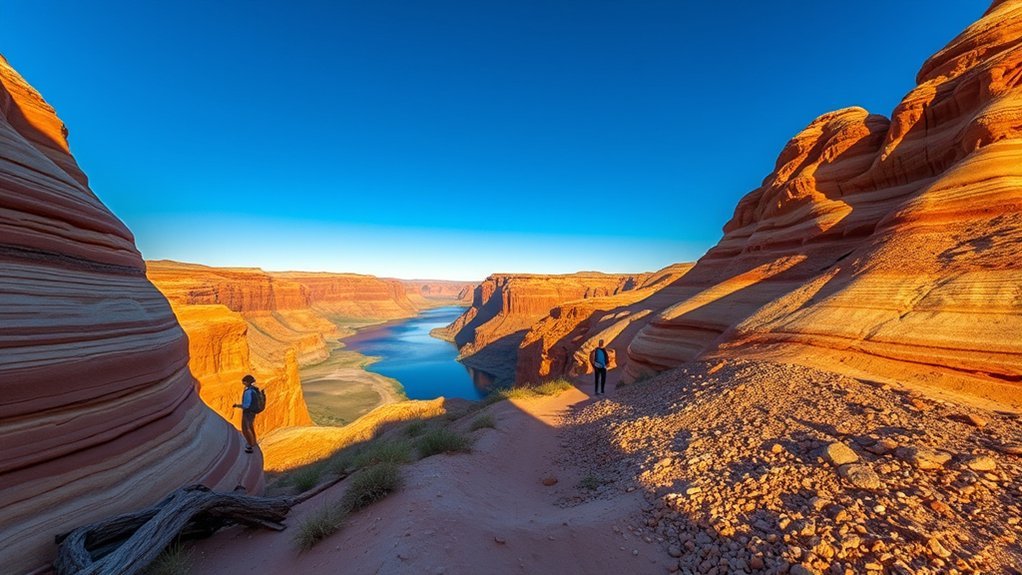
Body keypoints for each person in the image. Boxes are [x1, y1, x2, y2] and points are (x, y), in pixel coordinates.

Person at [232, 374, 259, 453]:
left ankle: (251, 446)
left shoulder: (248, 391)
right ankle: (253, 442)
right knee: (250, 427)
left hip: (248, 412)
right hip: (252, 412)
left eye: (244, 382)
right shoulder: (253, 389)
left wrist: (238, 406)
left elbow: (246, 405)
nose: (243, 383)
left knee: (246, 428)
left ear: (247, 382)